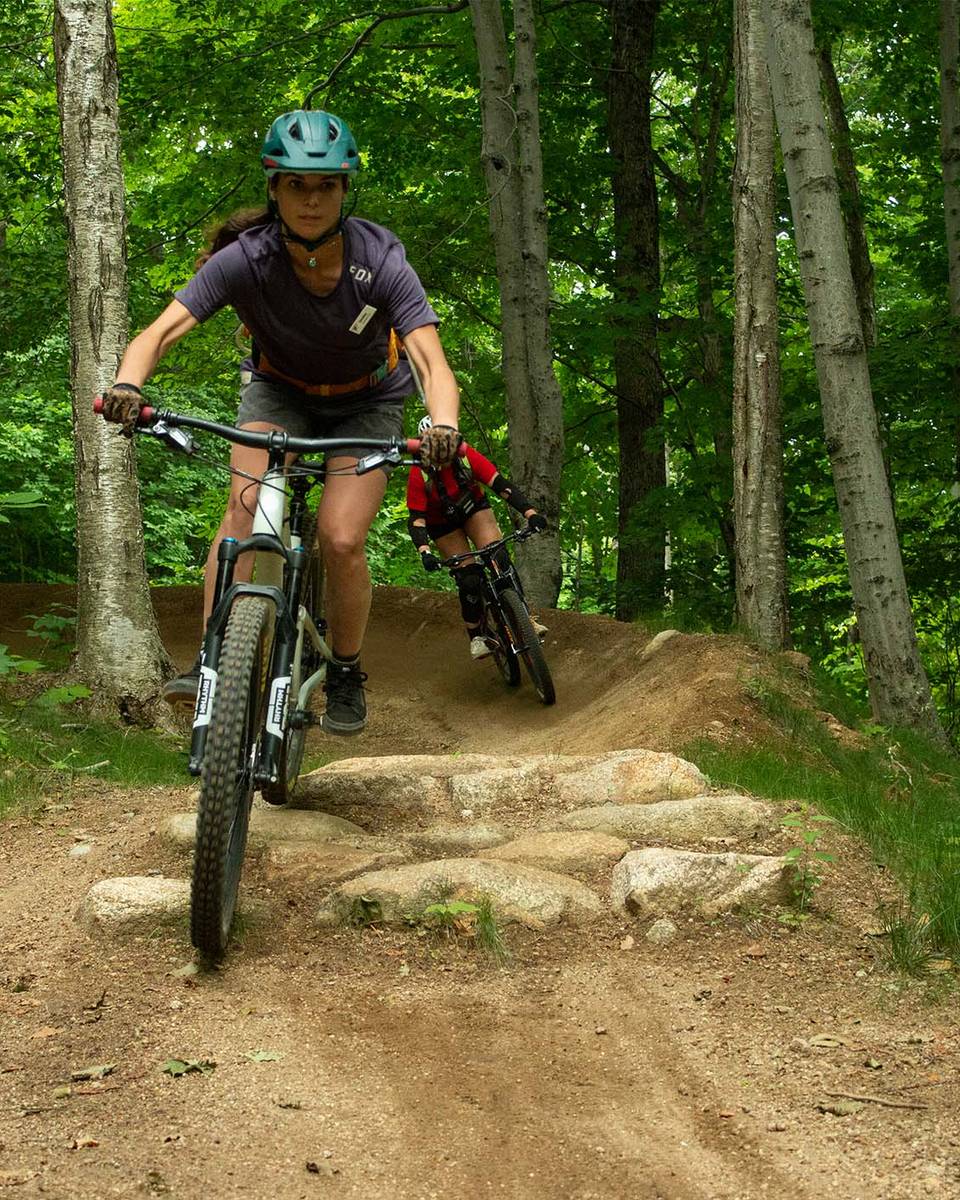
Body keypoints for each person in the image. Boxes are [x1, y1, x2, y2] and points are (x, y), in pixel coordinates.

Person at [99, 109, 462, 735]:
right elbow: (160, 333)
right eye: (297, 184)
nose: (311, 199)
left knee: (342, 537)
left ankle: (346, 670)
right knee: (242, 512)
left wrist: (443, 424)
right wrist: (128, 384)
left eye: (325, 186)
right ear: (274, 189)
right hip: (279, 393)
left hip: (367, 402)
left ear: (346, 190)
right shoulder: (247, 258)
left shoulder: (381, 261)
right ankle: (212, 657)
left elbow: (430, 360)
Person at [407, 417, 547, 659]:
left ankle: (524, 618)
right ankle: (478, 636)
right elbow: (417, 520)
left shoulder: (465, 456)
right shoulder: (419, 473)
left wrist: (530, 513)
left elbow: (501, 485)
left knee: (498, 557)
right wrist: (424, 551)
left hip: (473, 509)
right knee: (469, 579)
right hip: (442, 525)